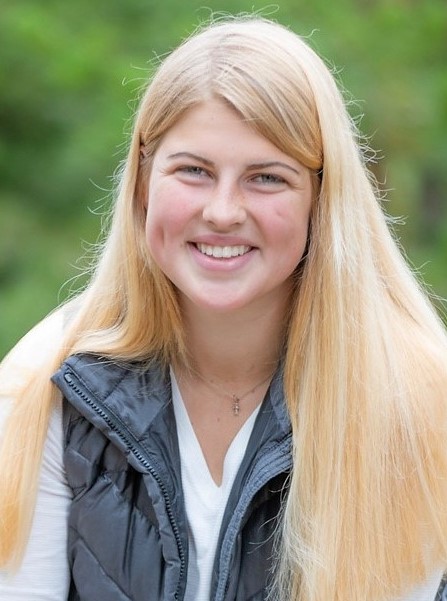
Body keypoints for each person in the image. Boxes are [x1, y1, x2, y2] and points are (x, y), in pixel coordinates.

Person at [1, 14, 447, 601]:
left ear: (322, 198)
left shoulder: (417, 396)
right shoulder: (48, 381)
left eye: (266, 177)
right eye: (193, 171)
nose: (222, 211)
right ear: (142, 182)